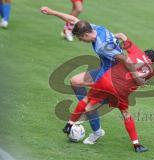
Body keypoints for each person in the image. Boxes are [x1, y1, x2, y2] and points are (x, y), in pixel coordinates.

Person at [40, 6, 144, 148]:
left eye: (80, 38)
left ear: (86, 35)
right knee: (75, 82)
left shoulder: (102, 46)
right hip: (104, 69)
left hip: (111, 76)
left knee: (91, 106)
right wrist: (52, 12)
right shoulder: (97, 29)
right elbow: (73, 20)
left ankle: (96, 130)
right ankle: (88, 112)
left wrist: (136, 77)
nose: (81, 41)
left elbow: (125, 59)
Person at [67, 33, 154, 152]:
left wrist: (113, 37)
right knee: (125, 114)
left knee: (89, 104)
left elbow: (122, 35)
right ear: (153, 62)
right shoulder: (151, 71)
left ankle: (81, 125)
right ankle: (136, 144)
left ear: (145, 53)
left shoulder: (137, 51)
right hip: (122, 93)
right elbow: (138, 83)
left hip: (109, 82)